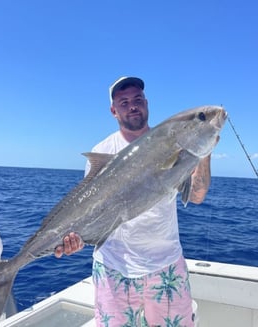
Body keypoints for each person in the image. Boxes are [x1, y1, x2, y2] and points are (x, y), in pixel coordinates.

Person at [55, 77, 212, 326]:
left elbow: (196, 195)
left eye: (138, 100)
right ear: (113, 110)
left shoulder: (172, 142)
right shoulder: (103, 152)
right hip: (114, 269)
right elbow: (89, 216)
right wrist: (75, 241)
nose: (132, 106)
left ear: (146, 103)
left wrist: (203, 151)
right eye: (124, 102)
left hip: (166, 266)